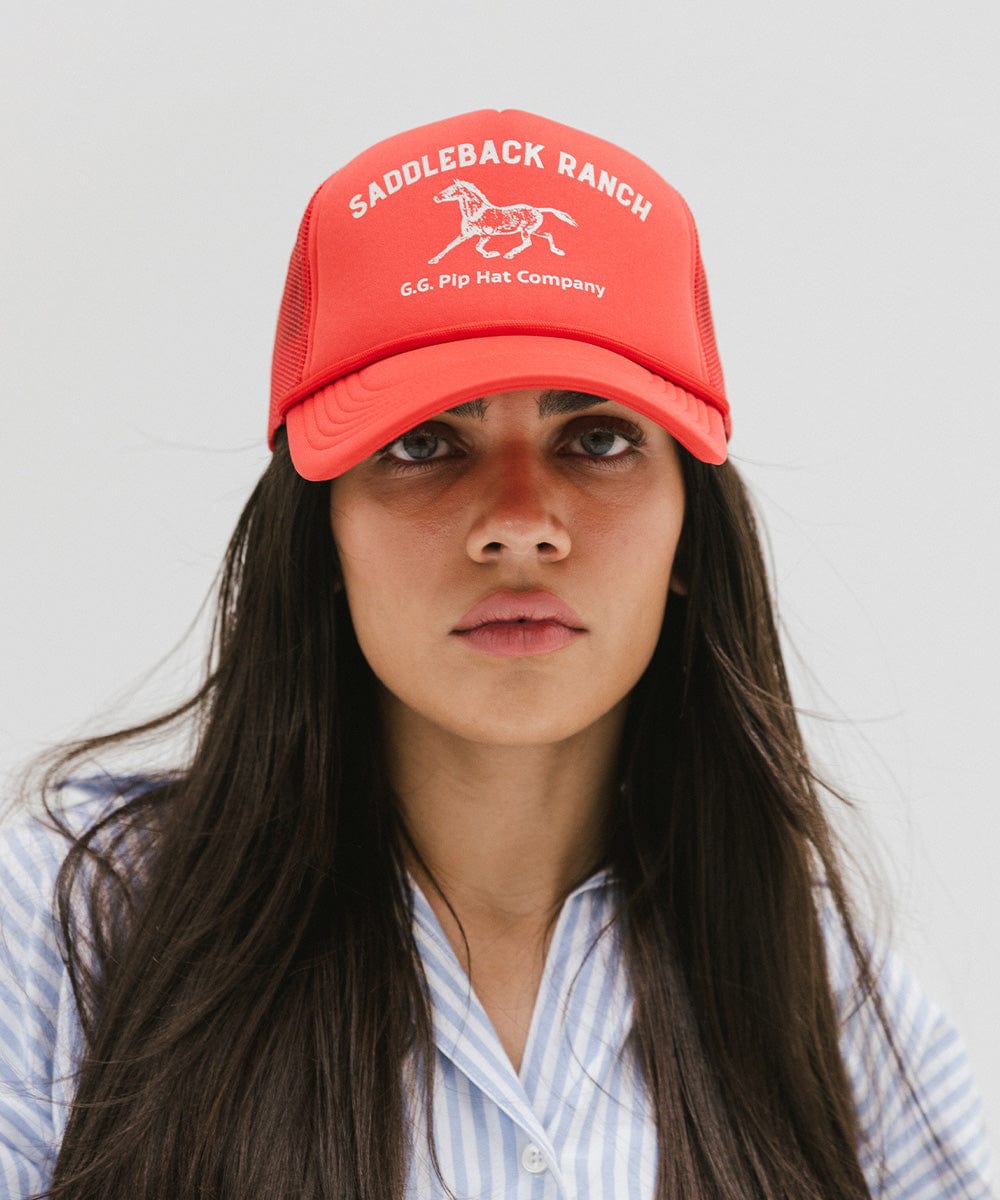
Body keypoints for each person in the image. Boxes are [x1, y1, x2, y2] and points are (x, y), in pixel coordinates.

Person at [0, 108, 993, 1200]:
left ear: (688, 530)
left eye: (598, 439)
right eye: (424, 443)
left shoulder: (837, 1008)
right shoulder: (69, 924)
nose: (519, 524)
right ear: (319, 533)